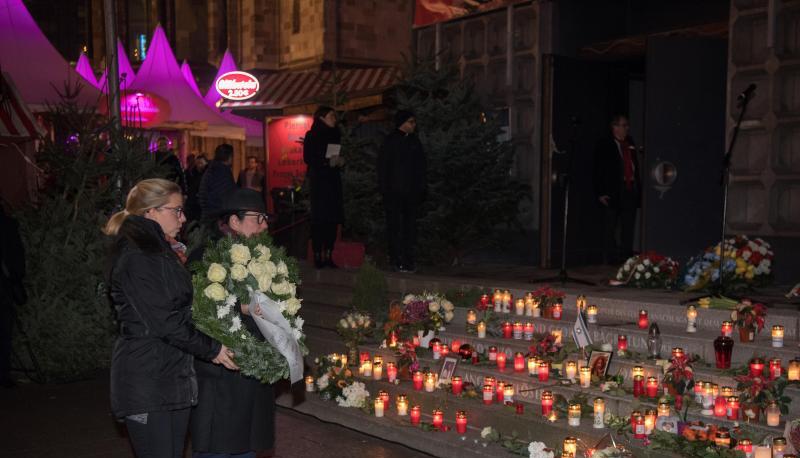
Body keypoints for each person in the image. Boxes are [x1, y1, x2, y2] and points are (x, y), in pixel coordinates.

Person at [104, 178, 238, 458]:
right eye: (176, 210)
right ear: (149, 212)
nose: (183, 217)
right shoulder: (138, 255)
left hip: (169, 376)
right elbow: (164, 320)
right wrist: (212, 349)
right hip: (147, 379)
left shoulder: (161, 251)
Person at [188, 188, 275, 458]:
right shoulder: (206, 256)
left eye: (266, 218)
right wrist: (244, 306)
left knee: (246, 447)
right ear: (234, 222)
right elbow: (199, 309)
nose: (264, 224)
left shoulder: (265, 259)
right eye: (257, 217)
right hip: (221, 376)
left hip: (253, 374)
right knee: (219, 447)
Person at [377, 110, 427, 273]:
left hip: (411, 193)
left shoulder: (415, 141)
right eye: (411, 122)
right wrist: (385, 189)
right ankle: (395, 259)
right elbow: (383, 167)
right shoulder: (390, 141)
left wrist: (421, 188)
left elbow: (421, 167)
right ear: (403, 123)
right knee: (395, 227)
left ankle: (408, 259)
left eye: (414, 122)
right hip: (394, 193)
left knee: (410, 228)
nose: (414, 125)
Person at [593, 115, 641, 264]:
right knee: (610, 226)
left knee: (628, 226)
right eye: (623, 125)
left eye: (627, 125)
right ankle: (608, 259)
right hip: (613, 190)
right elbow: (598, 169)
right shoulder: (605, 144)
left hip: (629, 187)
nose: (627, 128)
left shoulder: (629, 142)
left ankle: (626, 259)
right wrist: (601, 192)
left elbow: (634, 165)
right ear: (615, 127)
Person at [303, 106, 344, 269]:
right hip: (319, 183)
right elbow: (308, 158)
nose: (334, 119)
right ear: (321, 118)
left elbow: (336, 154)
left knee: (332, 220)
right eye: (331, 116)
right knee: (320, 220)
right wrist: (326, 162)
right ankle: (318, 256)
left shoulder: (335, 134)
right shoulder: (312, 135)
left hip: (333, 182)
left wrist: (340, 161)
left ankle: (328, 255)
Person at [0, 205, 26, 388]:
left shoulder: (7, 225)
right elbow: (16, 255)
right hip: (3, 286)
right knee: (3, 331)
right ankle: (3, 373)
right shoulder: (7, 224)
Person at [199, 144, 238, 221]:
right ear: (229, 156)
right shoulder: (222, 171)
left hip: (208, 212)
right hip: (216, 215)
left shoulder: (211, 168)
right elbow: (226, 195)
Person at [185, 154, 209, 223]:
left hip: (203, 204)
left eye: (201, 163)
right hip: (192, 203)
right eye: (198, 163)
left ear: (206, 163)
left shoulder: (208, 174)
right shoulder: (192, 173)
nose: (199, 165)